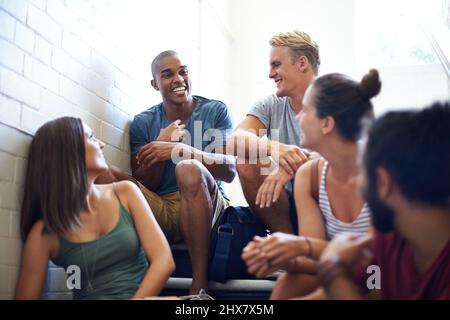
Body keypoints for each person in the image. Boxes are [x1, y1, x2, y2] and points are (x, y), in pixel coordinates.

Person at [242, 70, 381, 299]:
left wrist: (300, 246)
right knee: (292, 280)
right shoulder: (310, 175)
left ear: (326, 123)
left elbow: (372, 259)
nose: (298, 118)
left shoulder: (380, 172)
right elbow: (313, 260)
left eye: (305, 111)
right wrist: (278, 255)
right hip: (342, 270)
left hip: (383, 275)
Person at [15, 117, 174, 300]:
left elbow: (164, 260)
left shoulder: (126, 192)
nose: (101, 144)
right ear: (69, 153)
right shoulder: (45, 232)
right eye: (91, 137)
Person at [317, 102, 450, 300]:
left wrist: (332, 272)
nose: (354, 181)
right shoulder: (391, 240)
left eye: (360, 172)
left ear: (382, 182)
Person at [129, 50, 236, 294]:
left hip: (209, 205)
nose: (179, 79)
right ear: (155, 84)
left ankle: (199, 286)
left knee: (188, 169)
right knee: (114, 181)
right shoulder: (143, 122)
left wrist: (179, 150)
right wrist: (159, 144)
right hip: (163, 206)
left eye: (183, 71)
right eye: (168, 75)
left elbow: (229, 171)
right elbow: (143, 184)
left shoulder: (215, 110)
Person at [227, 30, 320, 234]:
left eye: (276, 65)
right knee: (246, 157)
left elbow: (352, 155)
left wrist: (295, 167)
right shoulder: (271, 104)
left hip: (327, 199)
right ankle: (287, 246)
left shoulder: (336, 97)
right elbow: (235, 139)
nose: (270, 74)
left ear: (302, 63)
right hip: (287, 205)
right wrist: (276, 148)